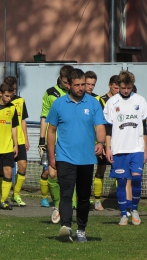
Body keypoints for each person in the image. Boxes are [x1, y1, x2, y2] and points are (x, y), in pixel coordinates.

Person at [46, 68, 106, 242]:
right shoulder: (58, 104)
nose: (81, 88)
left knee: (84, 196)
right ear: (69, 85)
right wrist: (52, 156)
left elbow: (100, 126)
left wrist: (100, 143)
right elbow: (51, 131)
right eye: (77, 85)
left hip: (86, 158)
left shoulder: (93, 103)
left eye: (83, 84)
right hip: (64, 156)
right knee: (66, 193)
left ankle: (81, 229)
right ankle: (66, 227)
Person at [104, 70, 147, 226]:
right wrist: (108, 148)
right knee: (121, 182)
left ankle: (134, 209)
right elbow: (107, 128)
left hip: (137, 148)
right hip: (119, 149)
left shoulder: (140, 101)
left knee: (136, 178)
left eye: (129, 88)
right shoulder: (112, 103)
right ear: (118, 86)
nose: (126, 91)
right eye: (123, 88)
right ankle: (123, 214)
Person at [38, 64, 74, 223]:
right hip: (53, 140)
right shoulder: (50, 93)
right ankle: (58, 205)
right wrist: (41, 139)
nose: (68, 86)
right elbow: (44, 116)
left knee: (71, 174)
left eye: (70, 83)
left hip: (70, 141)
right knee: (52, 174)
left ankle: (71, 205)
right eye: (66, 82)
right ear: (61, 79)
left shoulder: (76, 94)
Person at [91, 75, 119, 211]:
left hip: (118, 141)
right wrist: (100, 142)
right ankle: (97, 200)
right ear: (109, 85)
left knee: (119, 170)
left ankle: (121, 200)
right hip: (103, 140)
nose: (118, 90)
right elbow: (99, 122)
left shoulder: (122, 101)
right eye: (115, 87)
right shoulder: (100, 100)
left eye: (119, 88)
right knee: (101, 168)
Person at [3, 76, 30, 207]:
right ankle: (4, 197)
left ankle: (16, 194)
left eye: (15, 89)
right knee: (4, 171)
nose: (14, 92)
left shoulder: (20, 101)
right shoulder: (4, 103)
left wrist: (26, 138)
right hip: (6, 141)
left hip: (19, 139)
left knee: (23, 166)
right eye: (12, 90)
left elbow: (23, 120)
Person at [84, 70, 106, 210]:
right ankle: (81, 200)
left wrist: (102, 142)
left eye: (93, 84)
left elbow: (103, 123)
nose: (91, 87)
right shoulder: (77, 99)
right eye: (88, 84)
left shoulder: (99, 100)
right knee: (83, 173)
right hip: (83, 142)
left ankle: (97, 200)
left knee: (100, 169)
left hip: (97, 143)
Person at [0, 83, 19, 210]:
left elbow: (14, 127)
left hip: (7, 147)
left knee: (8, 172)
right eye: (6, 96)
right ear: (0, 94)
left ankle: (3, 200)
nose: (9, 99)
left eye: (10, 96)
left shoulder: (12, 108)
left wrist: (16, 144)